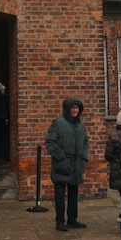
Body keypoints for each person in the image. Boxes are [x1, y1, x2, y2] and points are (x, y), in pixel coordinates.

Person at [44, 97, 89, 232]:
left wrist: (84, 158)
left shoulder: (80, 125)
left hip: (76, 164)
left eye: (77, 108)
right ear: (67, 109)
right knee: (59, 195)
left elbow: (85, 142)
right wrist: (61, 156)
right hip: (62, 165)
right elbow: (50, 142)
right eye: (73, 108)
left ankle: (72, 219)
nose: (75, 110)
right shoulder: (58, 123)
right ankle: (60, 221)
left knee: (73, 194)